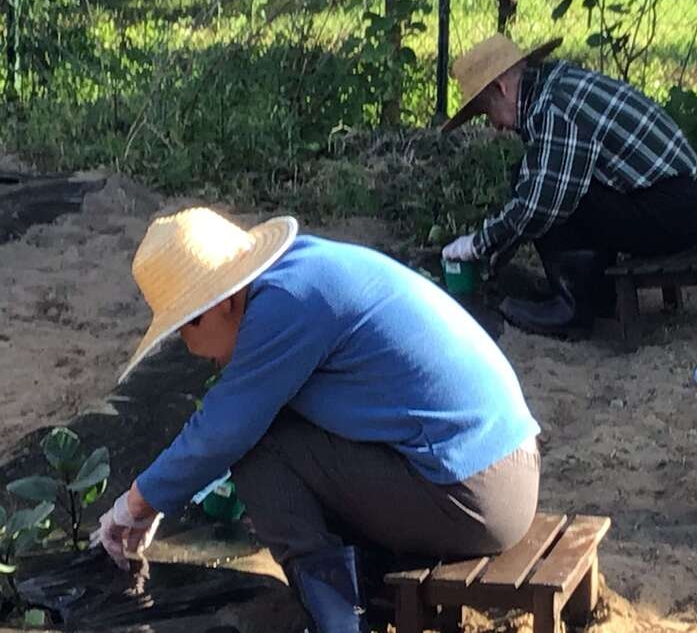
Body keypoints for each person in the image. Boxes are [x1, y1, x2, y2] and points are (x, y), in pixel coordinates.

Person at [91, 207, 541, 633]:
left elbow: (221, 433)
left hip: (477, 496)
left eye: (187, 324)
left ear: (222, 301)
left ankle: (341, 620)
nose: (191, 347)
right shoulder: (301, 271)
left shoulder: (284, 304)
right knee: (277, 435)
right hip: (499, 467)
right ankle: (358, 587)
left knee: (259, 451)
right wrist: (159, 497)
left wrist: (135, 504)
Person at [440, 34, 697, 337]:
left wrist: (480, 243)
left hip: (674, 211)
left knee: (552, 191)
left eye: (487, 111)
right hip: (678, 201)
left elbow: (542, 203)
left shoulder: (555, 107)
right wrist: (498, 249)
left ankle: (574, 309)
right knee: (533, 174)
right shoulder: (555, 87)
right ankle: (594, 296)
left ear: (501, 89)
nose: (494, 125)